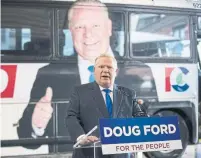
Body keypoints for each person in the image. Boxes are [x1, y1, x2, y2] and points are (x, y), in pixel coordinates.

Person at [17, 0, 156, 153]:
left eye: (95, 25)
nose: (88, 34)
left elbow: (153, 131)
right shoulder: (47, 75)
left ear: (109, 28)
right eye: (79, 26)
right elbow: (27, 139)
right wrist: (37, 125)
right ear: (70, 31)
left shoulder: (140, 72)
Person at [66, 54, 147, 158]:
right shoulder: (80, 92)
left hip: (120, 154)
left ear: (116, 72)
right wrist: (81, 137)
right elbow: (71, 117)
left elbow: (140, 117)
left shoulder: (128, 94)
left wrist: (144, 109)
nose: (105, 70)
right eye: (101, 67)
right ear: (94, 71)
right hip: (89, 153)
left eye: (109, 67)